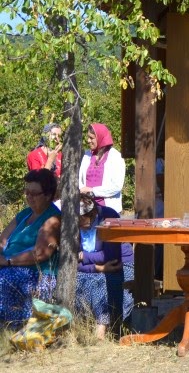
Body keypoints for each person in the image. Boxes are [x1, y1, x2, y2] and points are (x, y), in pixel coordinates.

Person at [0, 169, 61, 327]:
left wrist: (7, 260)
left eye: (34, 193)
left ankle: (12, 327)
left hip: (36, 274)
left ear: (48, 195)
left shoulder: (52, 219)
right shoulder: (25, 214)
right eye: (27, 192)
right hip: (9, 266)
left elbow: (40, 254)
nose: (29, 197)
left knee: (3, 280)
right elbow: (2, 240)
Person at [75, 193, 134, 338]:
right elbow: (71, 260)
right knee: (78, 279)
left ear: (94, 212)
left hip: (121, 264)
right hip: (92, 267)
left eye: (83, 217)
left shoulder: (109, 216)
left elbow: (110, 256)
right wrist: (96, 267)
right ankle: (83, 326)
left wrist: (84, 256)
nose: (79, 221)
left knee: (102, 281)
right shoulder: (73, 223)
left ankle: (103, 329)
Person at [78, 123, 127, 212]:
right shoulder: (87, 155)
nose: (88, 140)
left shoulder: (116, 157)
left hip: (108, 209)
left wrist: (92, 191)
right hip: (87, 209)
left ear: (100, 138)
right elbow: (80, 179)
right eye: (88, 137)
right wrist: (82, 190)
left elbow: (116, 186)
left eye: (91, 138)